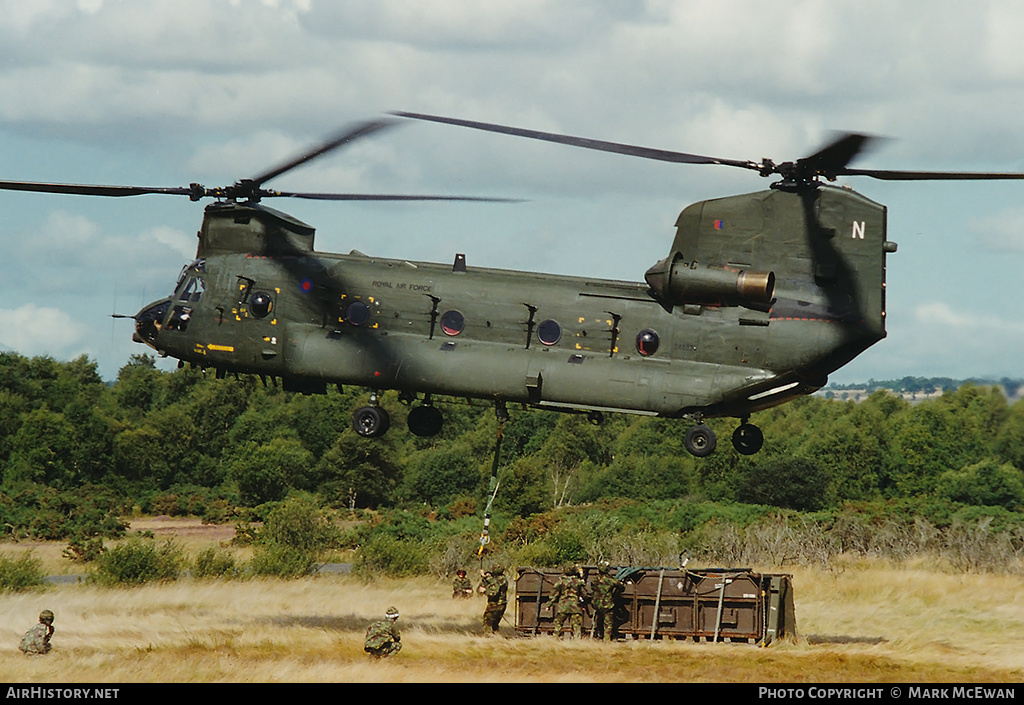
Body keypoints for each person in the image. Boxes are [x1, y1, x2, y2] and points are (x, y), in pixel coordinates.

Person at [551, 564, 588, 639]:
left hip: (563, 606)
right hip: (575, 606)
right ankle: (577, 641)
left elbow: (554, 595)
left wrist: (549, 605)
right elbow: (584, 594)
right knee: (577, 626)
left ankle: (555, 639)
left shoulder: (561, 582)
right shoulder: (578, 582)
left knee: (558, 625)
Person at [589, 562, 623, 641]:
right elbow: (620, 586)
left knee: (599, 620)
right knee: (608, 623)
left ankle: (598, 636)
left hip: (596, 604)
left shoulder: (594, 580)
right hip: (607, 604)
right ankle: (606, 640)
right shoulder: (610, 580)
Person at [479, 563, 508, 636]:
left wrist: (485, 590)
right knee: (495, 624)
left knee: (488, 621)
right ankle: (496, 637)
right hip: (501, 604)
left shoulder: (500, 579)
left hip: (495, 604)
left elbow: (494, 591)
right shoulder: (502, 578)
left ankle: (489, 637)